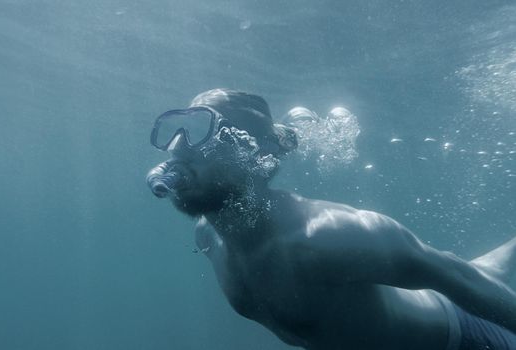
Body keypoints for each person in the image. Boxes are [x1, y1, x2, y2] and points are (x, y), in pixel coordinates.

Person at [147, 88, 516, 350]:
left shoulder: (324, 236)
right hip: (427, 317)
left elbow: (454, 276)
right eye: (178, 131)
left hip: (462, 341)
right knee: (479, 271)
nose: (178, 147)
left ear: (249, 151)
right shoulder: (208, 237)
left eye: (201, 131)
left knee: (466, 277)